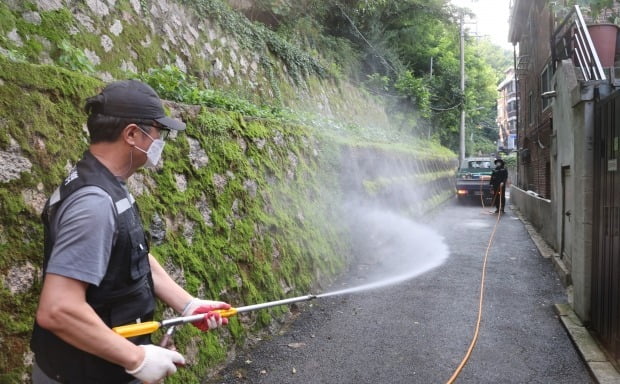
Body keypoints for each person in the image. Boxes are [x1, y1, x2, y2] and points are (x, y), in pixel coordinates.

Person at [30, 79, 231, 384]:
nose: (160, 142)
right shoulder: (95, 204)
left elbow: (132, 256)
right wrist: (137, 359)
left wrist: (188, 304)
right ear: (132, 134)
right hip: (83, 375)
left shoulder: (106, 184)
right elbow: (58, 309)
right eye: (157, 133)